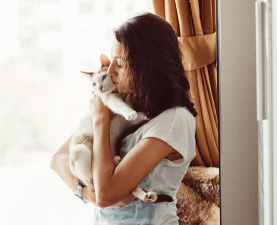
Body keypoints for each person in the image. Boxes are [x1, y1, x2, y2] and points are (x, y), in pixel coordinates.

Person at [50, 12, 197, 225]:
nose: (110, 72)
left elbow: (106, 194)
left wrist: (100, 120)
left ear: (146, 66)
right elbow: (59, 158)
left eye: (119, 63)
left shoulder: (174, 120)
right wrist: (85, 193)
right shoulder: (125, 105)